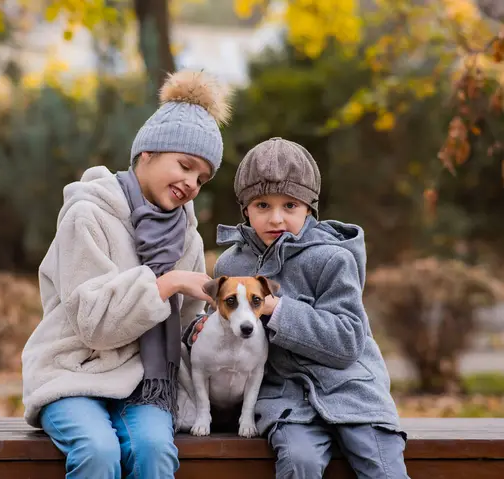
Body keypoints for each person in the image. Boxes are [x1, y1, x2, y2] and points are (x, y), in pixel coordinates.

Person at [21, 70, 231, 479]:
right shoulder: (88, 214)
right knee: (98, 451)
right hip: (74, 372)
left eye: (201, 178)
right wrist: (165, 284)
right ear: (147, 154)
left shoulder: (185, 235)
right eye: (185, 166)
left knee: (154, 449)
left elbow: (188, 325)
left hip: (143, 383)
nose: (191, 183)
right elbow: (94, 326)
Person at [185, 137, 409, 478]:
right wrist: (198, 329)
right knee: (298, 462)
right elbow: (224, 321)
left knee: (382, 466)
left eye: (290, 205)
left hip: (351, 392)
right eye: (262, 205)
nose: (276, 218)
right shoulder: (233, 263)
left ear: (309, 209)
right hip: (285, 400)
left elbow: (348, 341)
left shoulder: (332, 258)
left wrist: (278, 310)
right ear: (245, 209)